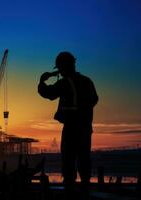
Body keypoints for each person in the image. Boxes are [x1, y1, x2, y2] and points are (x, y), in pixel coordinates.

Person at [38, 52, 98, 195]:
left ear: (63, 66)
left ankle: (70, 188)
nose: (59, 70)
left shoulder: (65, 82)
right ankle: (85, 187)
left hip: (71, 127)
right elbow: (94, 99)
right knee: (84, 157)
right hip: (85, 127)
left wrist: (41, 81)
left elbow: (49, 93)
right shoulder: (87, 81)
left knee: (69, 158)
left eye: (59, 67)